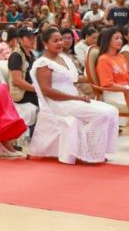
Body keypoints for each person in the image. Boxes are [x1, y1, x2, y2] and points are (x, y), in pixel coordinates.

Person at [33, 28, 119, 163]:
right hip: (58, 103)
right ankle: (87, 151)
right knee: (102, 114)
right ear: (45, 43)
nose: (60, 43)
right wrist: (76, 98)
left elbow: (72, 81)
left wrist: (81, 92)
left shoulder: (64, 58)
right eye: (55, 41)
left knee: (112, 111)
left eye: (60, 39)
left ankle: (96, 150)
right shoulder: (43, 63)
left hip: (73, 98)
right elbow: (47, 91)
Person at [9, 28, 39, 107]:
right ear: (20, 39)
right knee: (48, 101)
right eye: (29, 37)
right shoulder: (16, 56)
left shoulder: (32, 54)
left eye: (33, 37)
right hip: (22, 93)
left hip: (32, 89)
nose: (32, 40)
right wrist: (37, 89)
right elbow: (17, 81)